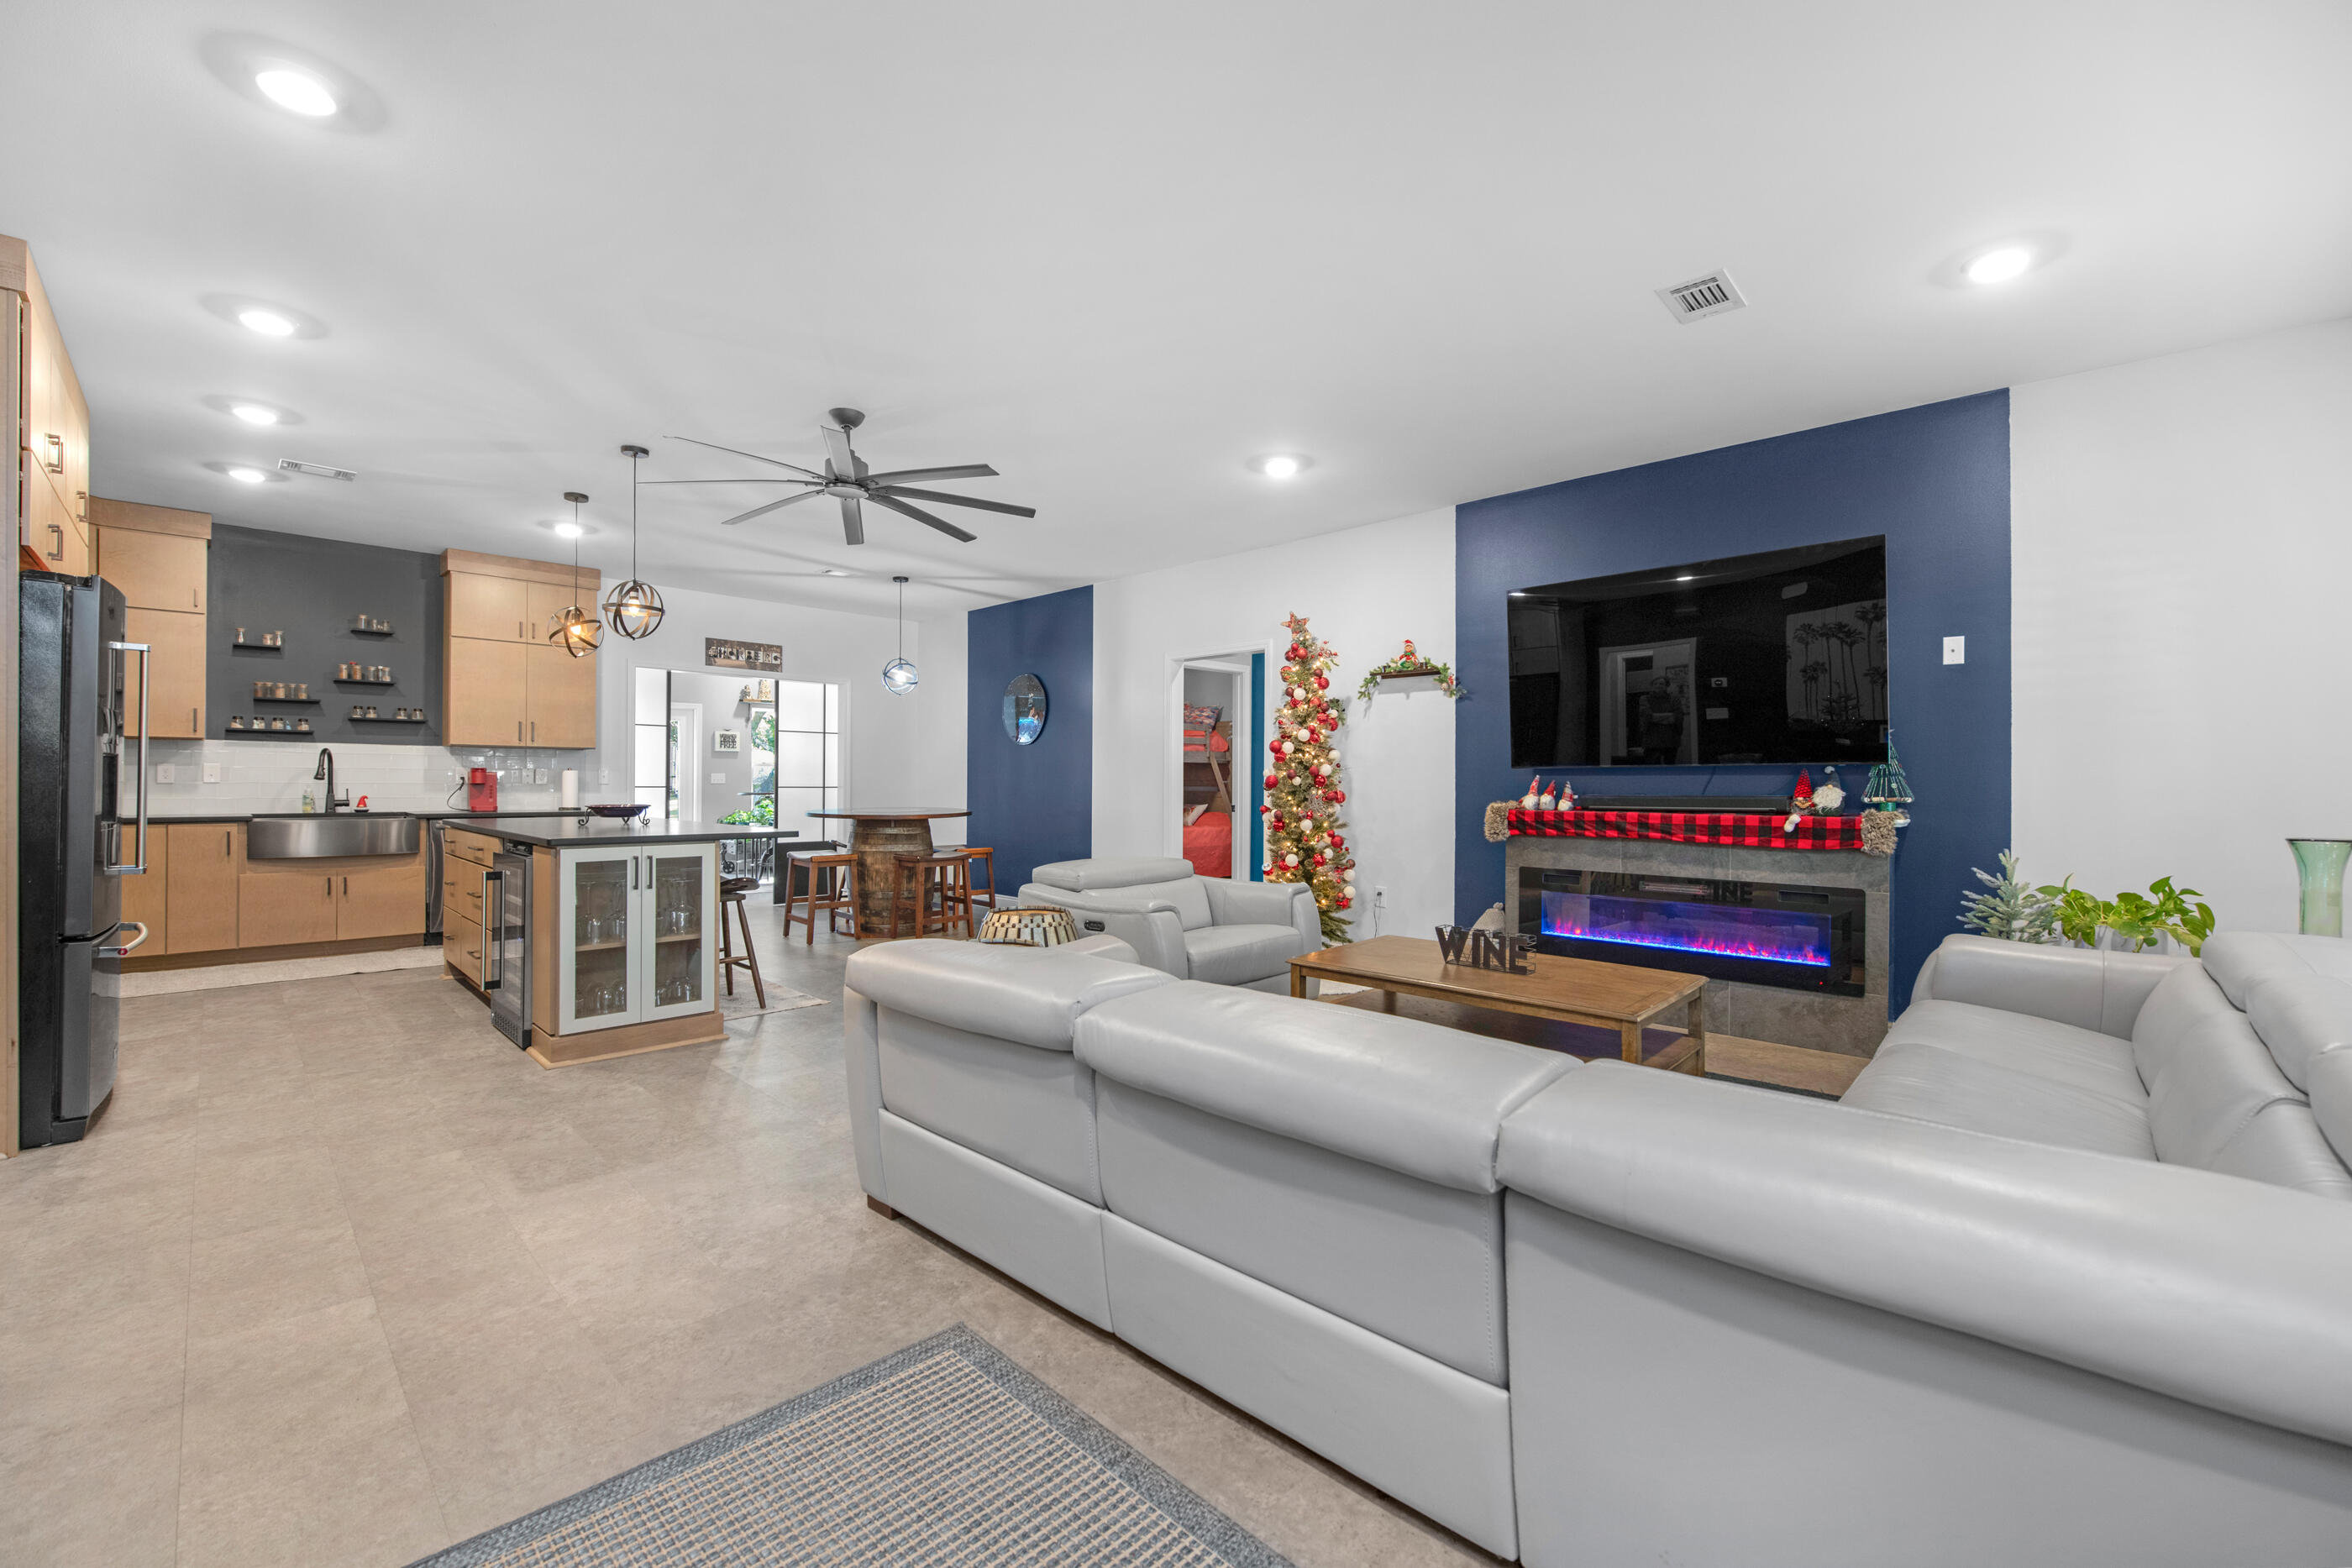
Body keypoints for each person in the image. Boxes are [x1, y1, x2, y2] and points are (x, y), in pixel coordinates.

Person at [1637, 674, 1686, 763]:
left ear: (1666, 686)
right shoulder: (1645, 699)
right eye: (1655, 684)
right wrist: (1668, 716)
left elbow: (1677, 716)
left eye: (1661, 684)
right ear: (1652, 686)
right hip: (1651, 739)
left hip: (1671, 738)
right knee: (1653, 768)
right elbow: (1647, 715)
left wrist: (1656, 717)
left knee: (1670, 767)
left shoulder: (1674, 699)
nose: (1658, 686)